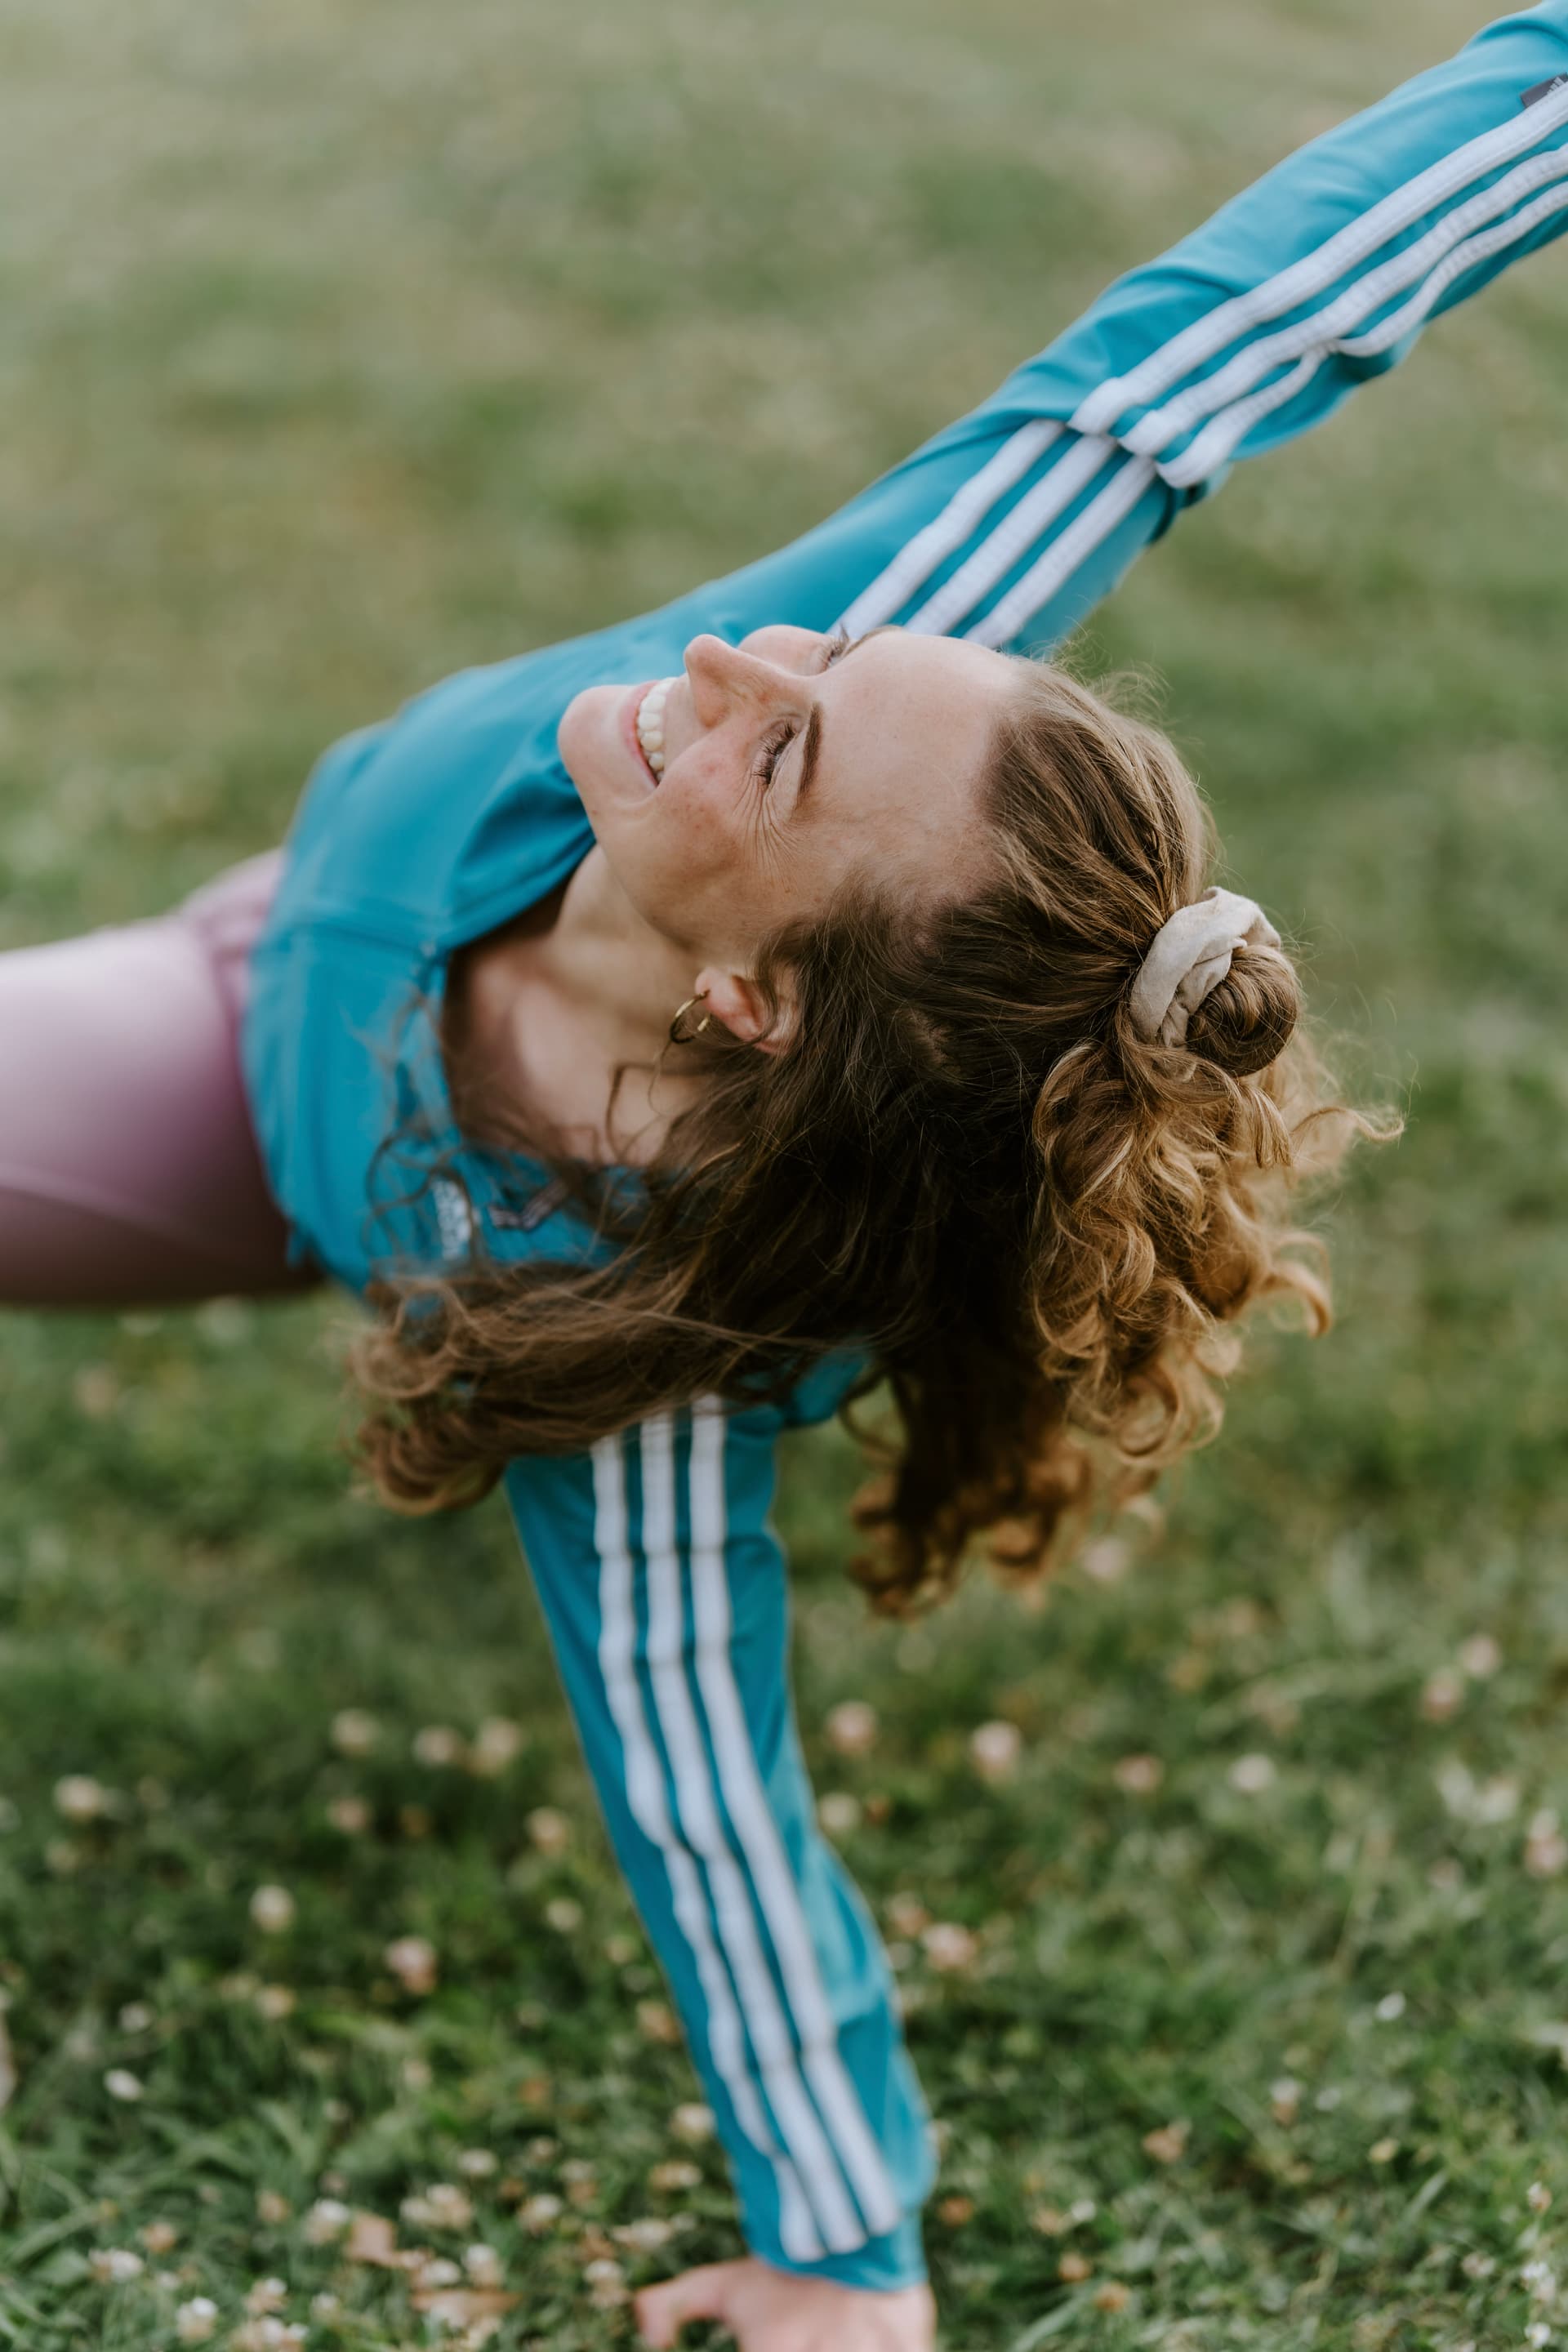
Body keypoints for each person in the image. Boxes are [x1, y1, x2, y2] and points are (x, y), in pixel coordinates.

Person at [3, 8, 1565, 2347]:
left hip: (263, 1117)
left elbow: (710, 1807)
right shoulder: (904, 694)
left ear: (761, 1006)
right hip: (272, 953)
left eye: (785, 731)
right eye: (835, 640)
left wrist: (846, 2252)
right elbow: (1187, 369)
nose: (733, 645)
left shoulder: (623, 1351)